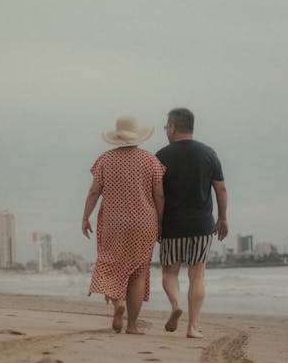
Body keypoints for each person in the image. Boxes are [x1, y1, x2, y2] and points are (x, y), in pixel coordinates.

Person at [82, 115, 165, 335]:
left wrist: (85, 217)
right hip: (144, 222)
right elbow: (159, 195)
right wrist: (160, 221)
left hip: (113, 221)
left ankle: (118, 303)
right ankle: (132, 325)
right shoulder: (151, 161)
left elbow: (94, 192)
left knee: (112, 264)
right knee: (138, 272)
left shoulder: (105, 160)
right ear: (138, 136)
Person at [156, 107, 228, 338]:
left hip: (172, 225)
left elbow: (157, 194)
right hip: (201, 225)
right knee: (197, 275)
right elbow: (220, 189)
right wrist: (223, 218)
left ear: (174, 127)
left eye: (166, 126)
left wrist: (158, 222)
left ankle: (176, 304)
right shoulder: (208, 153)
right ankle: (192, 327)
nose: (166, 130)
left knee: (170, 273)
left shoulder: (161, 156)